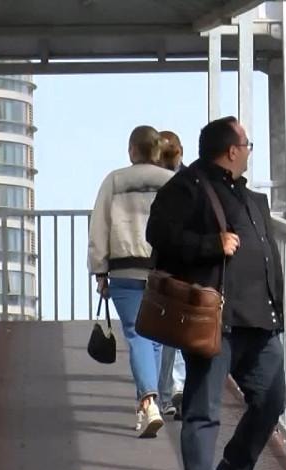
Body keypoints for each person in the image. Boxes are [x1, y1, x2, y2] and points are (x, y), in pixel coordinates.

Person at [146, 117, 286, 470]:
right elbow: (159, 235)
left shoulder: (250, 198)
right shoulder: (187, 188)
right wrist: (211, 244)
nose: (249, 152)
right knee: (203, 410)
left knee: (272, 400)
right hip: (215, 321)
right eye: (247, 145)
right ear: (231, 150)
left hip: (259, 321)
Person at [88, 125, 175, 438]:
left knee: (137, 335)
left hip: (124, 271)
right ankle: (149, 402)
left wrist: (100, 270)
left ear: (132, 150)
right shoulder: (171, 181)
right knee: (156, 337)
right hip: (163, 272)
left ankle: (148, 401)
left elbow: (99, 227)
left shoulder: (114, 181)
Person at [154, 129, 187, 418]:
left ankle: (170, 388)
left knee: (168, 332)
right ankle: (173, 387)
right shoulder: (191, 181)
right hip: (180, 264)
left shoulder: (155, 182)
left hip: (167, 263)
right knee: (174, 331)